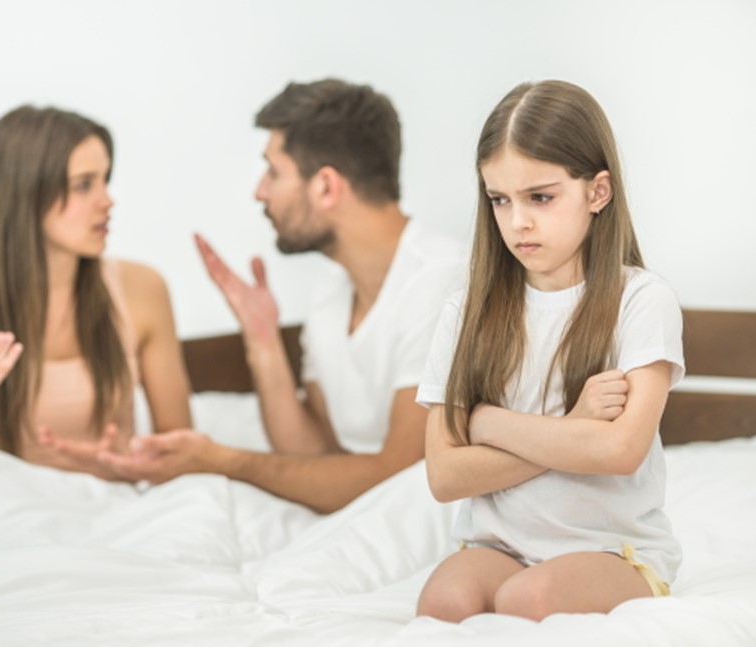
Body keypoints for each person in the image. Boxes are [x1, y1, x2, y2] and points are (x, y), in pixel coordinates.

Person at [61, 78, 464, 512]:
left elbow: (399, 475)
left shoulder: (442, 282)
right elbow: (315, 455)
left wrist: (222, 460)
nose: (259, 191)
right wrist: (263, 342)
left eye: (273, 171)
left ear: (326, 186)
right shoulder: (332, 289)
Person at [415, 80, 684, 622]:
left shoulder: (641, 301)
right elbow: (444, 476)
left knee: (527, 600)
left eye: (540, 197)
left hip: (611, 550)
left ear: (597, 192)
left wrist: (487, 423)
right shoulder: (466, 312)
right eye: (499, 200)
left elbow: (618, 452)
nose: (518, 222)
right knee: (443, 601)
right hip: (498, 546)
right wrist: (574, 424)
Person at [0, 105, 193, 480]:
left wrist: (128, 463)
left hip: (115, 505)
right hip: (3, 515)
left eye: (105, 180)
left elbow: (183, 452)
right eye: (84, 184)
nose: (107, 200)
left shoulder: (143, 288)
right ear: (24, 194)